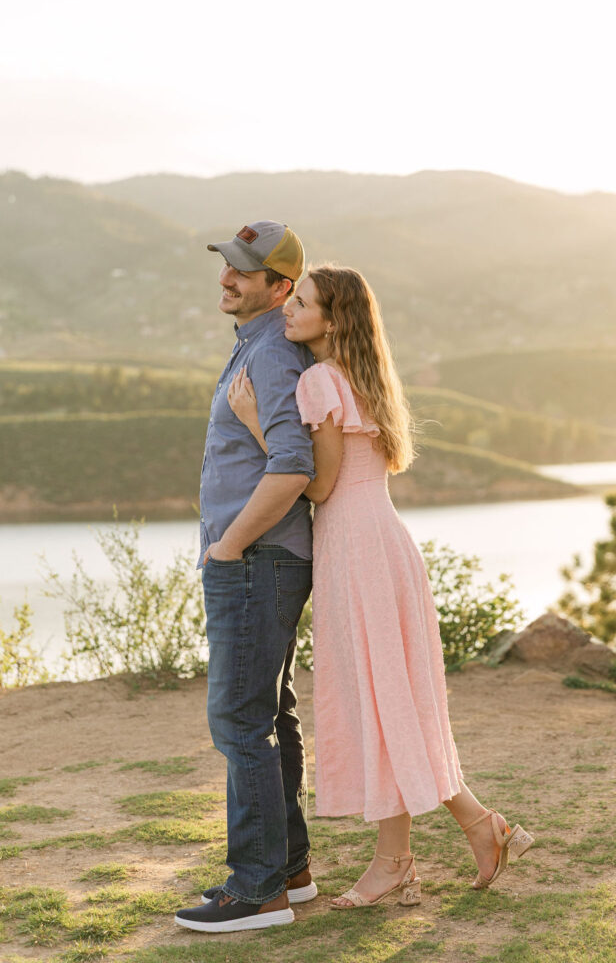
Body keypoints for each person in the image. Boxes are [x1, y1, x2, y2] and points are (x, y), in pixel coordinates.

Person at [227, 263, 535, 910]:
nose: (290, 309)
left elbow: (319, 485)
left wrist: (257, 424)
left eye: (302, 302)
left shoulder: (317, 380)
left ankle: (402, 858)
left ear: (332, 320)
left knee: (377, 701)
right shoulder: (364, 377)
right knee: (389, 700)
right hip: (382, 542)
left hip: (354, 548)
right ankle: (473, 829)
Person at [175, 221, 320, 934]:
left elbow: (293, 466)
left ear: (280, 286)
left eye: (244, 271)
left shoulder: (269, 355)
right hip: (263, 559)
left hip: (256, 559)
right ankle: (288, 869)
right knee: (269, 712)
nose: (228, 278)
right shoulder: (262, 346)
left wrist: (227, 546)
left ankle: (256, 889)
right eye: (227, 266)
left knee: (238, 719)